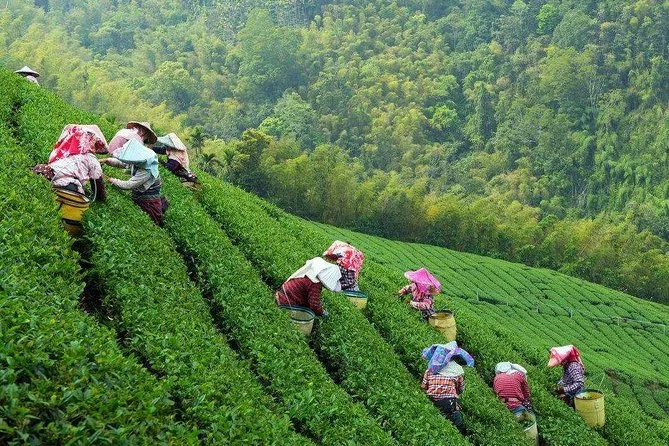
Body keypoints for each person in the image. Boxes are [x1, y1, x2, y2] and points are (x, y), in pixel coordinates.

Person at [33, 124, 108, 201]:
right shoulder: (91, 159)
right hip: (67, 181)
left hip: (51, 173)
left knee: (44, 168)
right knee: (77, 193)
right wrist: (101, 196)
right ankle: (60, 188)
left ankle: (44, 178)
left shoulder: (65, 150)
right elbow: (97, 180)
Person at [104, 139, 168, 226]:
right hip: (140, 192)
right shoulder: (139, 161)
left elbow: (129, 185)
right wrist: (108, 160)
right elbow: (123, 163)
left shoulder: (146, 170)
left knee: (151, 218)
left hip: (147, 197)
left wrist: (113, 180)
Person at [422, 342, 474, 433]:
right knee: (457, 416)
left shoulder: (431, 368)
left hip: (431, 399)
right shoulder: (457, 370)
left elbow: (423, 386)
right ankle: (460, 431)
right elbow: (461, 388)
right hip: (448, 402)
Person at [276, 257, 342, 318]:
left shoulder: (310, 274)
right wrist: (322, 312)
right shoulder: (315, 284)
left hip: (281, 294)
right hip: (286, 302)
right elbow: (314, 305)